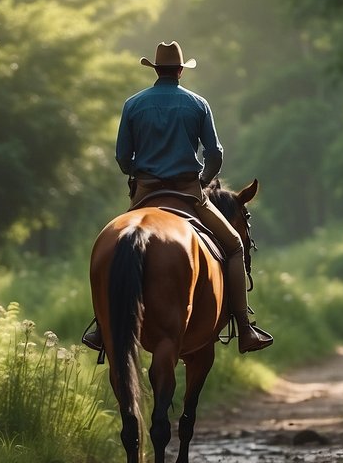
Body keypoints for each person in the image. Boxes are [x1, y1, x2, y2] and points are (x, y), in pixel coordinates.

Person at [83, 40, 273, 354]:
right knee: (235, 246)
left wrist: (138, 173)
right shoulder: (198, 104)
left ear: (156, 69)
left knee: (115, 246)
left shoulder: (133, 104)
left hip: (145, 191)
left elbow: (121, 157)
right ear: (181, 70)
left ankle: (102, 327)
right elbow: (214, 153)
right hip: (188, 191)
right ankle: (244, 327)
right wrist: (204, 180)